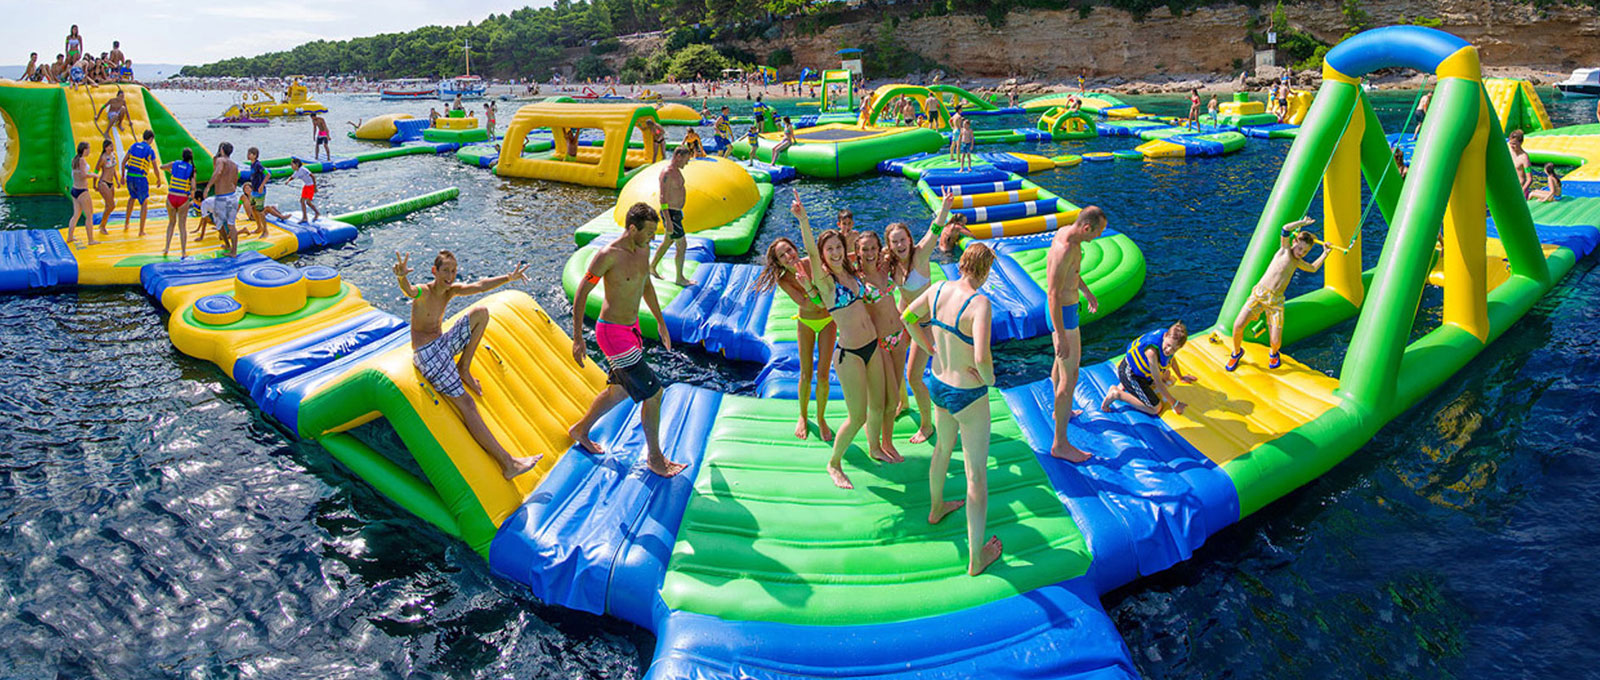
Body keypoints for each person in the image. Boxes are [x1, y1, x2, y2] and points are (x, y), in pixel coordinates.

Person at [901, 242, 1003, 576]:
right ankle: (976, 558)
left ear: (961, 264)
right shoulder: (980, 303)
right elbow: (981, 357)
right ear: (985, 272)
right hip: (967, 394)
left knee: (943, 449)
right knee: (976, 476)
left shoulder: (937, 289)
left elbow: (907, 317)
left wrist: (926, 345)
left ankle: (936, 508)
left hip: (938, 383)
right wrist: (990, 379)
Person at [567, 203, 688, 478]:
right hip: (612, 334)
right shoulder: (607, 256)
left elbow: (646, 284)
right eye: (649, 232)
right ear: (632, 228)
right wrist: (578, 338)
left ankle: (580, 430)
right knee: (654, 394)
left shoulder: (643, 249)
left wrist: (660, 322)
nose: (653, 238)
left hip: (631, 330)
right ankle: (655, 458)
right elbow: (582, 294)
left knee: (619, 391)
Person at [394, 251, 539, 479]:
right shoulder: (424, 291)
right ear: (434, 271)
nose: (450, 276)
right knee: (467, 404)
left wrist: (508, 278)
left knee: (481, 313)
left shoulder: (450, 291)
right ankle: (508, 464)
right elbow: (410, 291)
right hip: (428, 354)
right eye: (445, 271)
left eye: (453, 271)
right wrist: (402, 277)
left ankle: (464, 367)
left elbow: (479, 286)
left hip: (442, 344)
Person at [792, 191, 893, 489]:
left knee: (878, 405)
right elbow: (810, 253)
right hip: (850, 354)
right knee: (858, 415)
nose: (835, 253)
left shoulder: (851, 273)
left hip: (873, 346)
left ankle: (875, 447)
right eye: (829, 249)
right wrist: (804, 219)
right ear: (823, 255)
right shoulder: (826, 282)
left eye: (838, 247)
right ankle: (834, 463)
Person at [887, 190, 970, 444]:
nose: (900, 245)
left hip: (926, 325)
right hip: (905, 321)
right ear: (889, 245)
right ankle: (903, 402)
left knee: (914, 376)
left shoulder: (920, 255)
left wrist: (944, 209)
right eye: (894, 242)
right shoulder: (891, 263)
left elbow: (934, 230)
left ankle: (926, 425)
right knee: (893, 365)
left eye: (902, 240)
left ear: (909, 240)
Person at [755, 237, 835, 442]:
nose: (788, 256)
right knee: (806, 374)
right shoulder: (784, 280)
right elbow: (807, 304)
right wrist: (808, 286)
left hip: (828, 321)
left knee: (823, 375)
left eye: (789, 250)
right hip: (806, 322)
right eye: (782, 255)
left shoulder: (813, 263)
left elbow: (837, 264)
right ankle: (803, 415)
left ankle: (821, 418)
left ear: (795, 248)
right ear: (779, 262)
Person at [1044, 206, 1106, 462]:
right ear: (1086, 228)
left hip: (1064, 310)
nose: (1098, 237)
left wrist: (1086, 291)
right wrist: (1060, 334)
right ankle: (1060, 444)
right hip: (1062, 314)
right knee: (1070, 378)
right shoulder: (1066, 248)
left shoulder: (1066, 233)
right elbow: (1053, 294)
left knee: (1060, 366)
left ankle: (1061, 412)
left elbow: (1071, 273)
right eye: (1098, 232)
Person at [1225, 216, 1325, 371]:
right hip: (1260, 294)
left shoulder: (1298, 262)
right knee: (1238, 325)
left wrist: (1325, 253)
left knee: (1276, 341)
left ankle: (1273, 353)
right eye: (1299, 248)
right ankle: (1237, 352)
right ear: (1294, 242)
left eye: (1305, 251)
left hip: (1276, 301)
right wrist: (1302, 223)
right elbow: (1285, 228)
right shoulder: (1284, 250)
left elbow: (1313, 268)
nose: (1301, 253)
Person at [853, 228, 908, 462]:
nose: (870, 253)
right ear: (857, 251)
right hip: (880, 343)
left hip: (899, 337)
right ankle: (878, 444)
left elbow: (901, 248)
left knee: (894, 396)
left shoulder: (885, 267)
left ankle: (887, 442)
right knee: (888, 399)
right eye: (864, 249)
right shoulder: (856, 278)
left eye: (873, 248)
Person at [1101, 322, 1197, 416]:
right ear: (1165, 336)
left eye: (1174, 349)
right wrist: (1175, 404)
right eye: (1168, 345)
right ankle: (1117, 394)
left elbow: (1171, 359)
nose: (1169, 350)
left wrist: (1181, 377)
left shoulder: (1170, 339)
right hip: (1131, 373)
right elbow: (1158, 381)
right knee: (1156, 408)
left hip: (1141, 372)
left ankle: (1125, 385)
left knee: (1167, 374)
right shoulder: (1151, 351)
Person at [646, 146, 695, 286]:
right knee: (682, 245)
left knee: (668, 241)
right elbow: (662, 198)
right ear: (678, 156)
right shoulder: (667, 173)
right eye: (686, 159)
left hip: (676, 213)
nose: (687, 163)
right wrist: (668, 220)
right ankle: (680, 278)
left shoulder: (676, 171)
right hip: (671, 214)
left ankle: (652, 267)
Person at [198, 142, 242, 256]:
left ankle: (228, 245)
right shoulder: (234, 165)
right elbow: (235, 182)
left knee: (219, 224)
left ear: (222, 149)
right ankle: (233, 250)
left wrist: (208, 187)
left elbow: (218, 172)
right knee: (231, 225)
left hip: (222, 198)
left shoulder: (220, 160)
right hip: (232, 196)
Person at [159, 148, 197, 258]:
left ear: (182, 155)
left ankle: (167, 248)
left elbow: (162, 167)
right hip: (183, 199)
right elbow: (193, 186)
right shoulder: (192, 169)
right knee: (182, 226)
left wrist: (171, 172)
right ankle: (183, 252)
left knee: (171, 223)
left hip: (171, 197)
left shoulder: (174, 164)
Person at [122, 129, 160, 236]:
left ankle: (126, 223)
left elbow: (123, 162)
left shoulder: (133, 146)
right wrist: (158, 178)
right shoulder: (150, 150)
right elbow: (155, 167)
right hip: (140, 178)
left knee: (132, 197)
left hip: (130, 177)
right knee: (144, 203)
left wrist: (122, 176)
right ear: (151, 139)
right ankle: (141, 230)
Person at [242, 147, 287, 236]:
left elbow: (268, 174)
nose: (248, 155)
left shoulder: (258, 165)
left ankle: (265, 231)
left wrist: (262, 185)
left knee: (260, 211)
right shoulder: (252, 164)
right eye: (248, 153)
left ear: (255, 155)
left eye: (250, 154)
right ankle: (259, 227)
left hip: (259, 191)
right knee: (253, 208)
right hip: (254, 190)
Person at [65, 142, 99, 246]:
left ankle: (70, 237)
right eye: (88, 149)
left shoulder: (74, 160)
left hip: (74, 189)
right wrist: (94, 175)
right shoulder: (82, 160)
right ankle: (91, 240)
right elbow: (84, 175)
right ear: (84, 149)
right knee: (89, 215)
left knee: (76, 215)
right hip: (82, 191)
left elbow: (78, 173)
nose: (89, 151)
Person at [92, 139, 119, 237]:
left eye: (112, 146)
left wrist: (117, 180)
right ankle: (102, 226)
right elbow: (96, 170)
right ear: (105, 147)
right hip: (103, 182)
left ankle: (103, 225)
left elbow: (113, 169)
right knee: (111, 205)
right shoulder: (103, 158)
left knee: (109, 206)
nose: (112, 148)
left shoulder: (113, 155)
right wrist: (94, 184)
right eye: (110, 146)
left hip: (111, 183)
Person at [289, 158, 320, 223]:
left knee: (308, 202)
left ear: (297, 164)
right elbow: (292, 177)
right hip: (306, 186)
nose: (291, 166)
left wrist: (315, 187)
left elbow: (313, 176)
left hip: (311, 186)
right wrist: (288, 181)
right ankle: (305, 217)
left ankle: (317, 213)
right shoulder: (296, 172)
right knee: (302, 201)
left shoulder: (303, 169)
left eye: (292, 165)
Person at [1508, 129, 1533, 196]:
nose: (1511, 146)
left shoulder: (1524, 158)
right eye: (1510, 143)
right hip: (1510, 188)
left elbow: (1529, 179)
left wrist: (1522, 191)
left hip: (1520, 189)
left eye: (1514, 144)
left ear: (1521, 142)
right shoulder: (1509, 152)